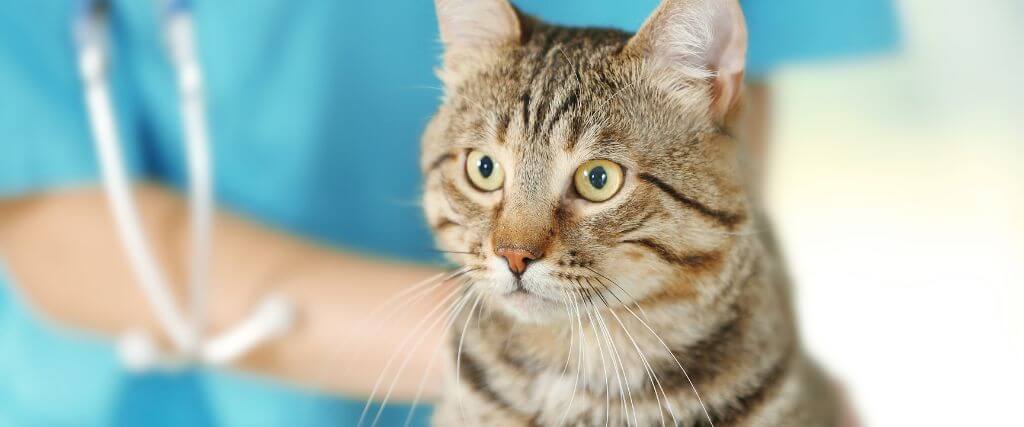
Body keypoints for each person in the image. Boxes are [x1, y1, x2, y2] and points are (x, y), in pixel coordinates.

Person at [0, 0, 898, 425]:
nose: (518, 242)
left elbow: (728, 127)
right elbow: (41, 215)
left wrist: (694, 341)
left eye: (590, 186)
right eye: (484, 170)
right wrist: (512, 371)